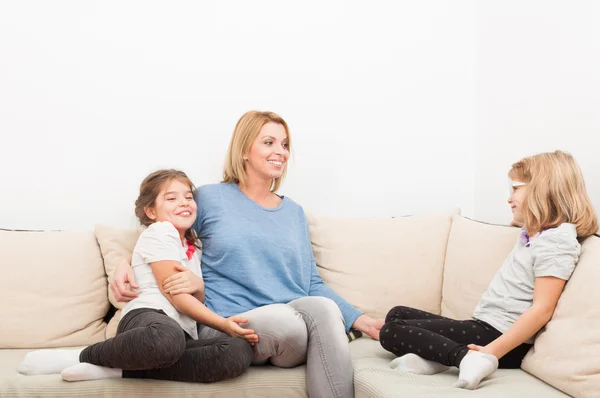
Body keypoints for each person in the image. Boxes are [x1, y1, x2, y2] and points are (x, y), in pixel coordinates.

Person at [111, 111, 385, 398]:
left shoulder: (294, 212)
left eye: (285, 144)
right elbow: (166, 229)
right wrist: (124, 261)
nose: (280, 152)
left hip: (294, 325)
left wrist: (361, 321)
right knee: (287, 321)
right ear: (244, 151)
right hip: (232, 325)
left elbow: (311, 282)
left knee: (323, 308)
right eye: (269, 142)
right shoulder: (210, 199)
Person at [379, 150, 598, 390]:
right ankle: (439, 359)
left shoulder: (556, 243)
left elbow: (542, 309)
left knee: (391, 331)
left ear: (542, 190)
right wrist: (525, 214)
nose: (509, 198)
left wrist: (490, 352)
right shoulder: (536, 234)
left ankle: (465, 359)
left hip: (500, 339)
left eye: (515, 189)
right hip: (484, 326)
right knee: (396, 314)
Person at [18, 169, 254, 383]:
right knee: (165, 338)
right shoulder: (161, 232)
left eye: (188, 197)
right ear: (151, 211)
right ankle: (83, 356)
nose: (183, 203)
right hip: (148, 320)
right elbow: (178, 297)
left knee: (237, 351)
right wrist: (223, 323)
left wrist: (199, 286)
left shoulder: (196, 245)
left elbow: (194, 299)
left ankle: (116, 370)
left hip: (181, 334)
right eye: (171, 198)